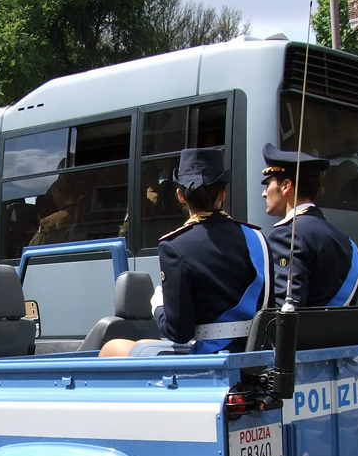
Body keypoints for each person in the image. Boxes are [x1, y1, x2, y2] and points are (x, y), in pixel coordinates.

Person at [100, 148, 270, 357]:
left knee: (111, 348)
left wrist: (158, 307)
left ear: (180, 196)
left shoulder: (175, 246)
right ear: (223, 194)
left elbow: (179, 332)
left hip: (210, 359)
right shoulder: (257, 238)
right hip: (257, 355)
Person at [261, 143, 358, 309]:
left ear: (286, 186)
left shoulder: (287, 234)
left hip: (302, 335)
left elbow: (284, 313)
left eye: (268, 184)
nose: (264, 192)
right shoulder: (345, 241)